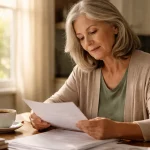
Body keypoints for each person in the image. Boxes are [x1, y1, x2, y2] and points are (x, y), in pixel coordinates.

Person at [30, 0, 150, 141]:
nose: (87, 43)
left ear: (115, 27)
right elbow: (56, 102)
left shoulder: (147, 67)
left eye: (92, 32)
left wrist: (116, 129)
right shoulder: (82, 72)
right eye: (80, 38)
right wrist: (38, 114)